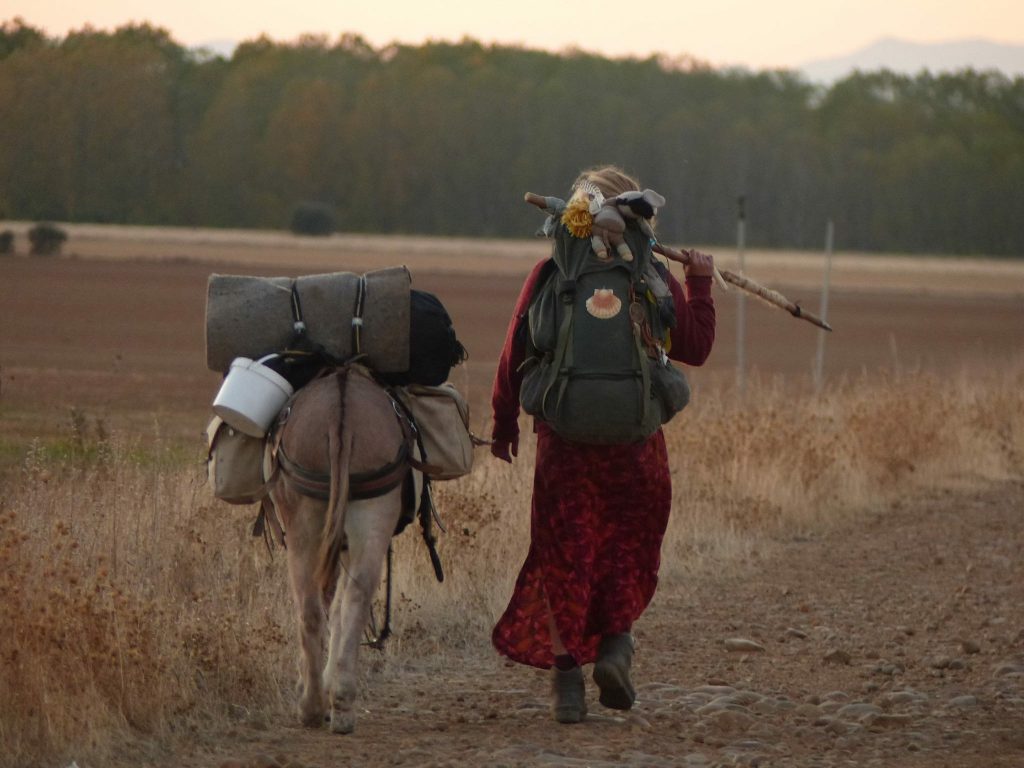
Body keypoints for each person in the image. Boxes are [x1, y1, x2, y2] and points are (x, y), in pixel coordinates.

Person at [489, 165, 717, 724]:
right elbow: (696, 347)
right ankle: (616, 646)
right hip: (636, 446)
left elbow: (514, 351)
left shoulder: (550, 274)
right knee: (625, 548)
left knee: (564, 555)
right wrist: (703, 283)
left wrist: (503, 424)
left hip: (564, 442)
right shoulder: (652, 275)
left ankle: (568, 680)